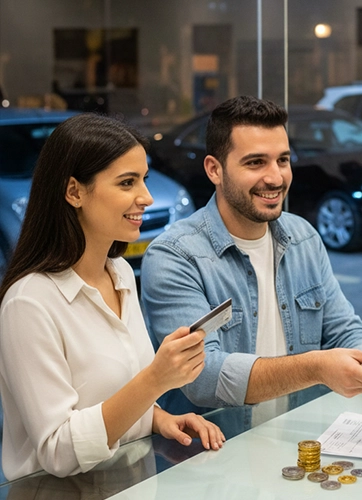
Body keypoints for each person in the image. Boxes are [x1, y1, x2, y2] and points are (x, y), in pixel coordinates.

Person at [140, 95, 362, 437]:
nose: (275, 178)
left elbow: (344, 330)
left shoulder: (302, 237)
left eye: (283, 160)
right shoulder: (174, 256)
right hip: (214, 459)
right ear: (214, 170)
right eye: (256, 163)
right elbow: (203, 377)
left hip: (297, 442)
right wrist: (317, 367)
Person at [0, 114, 225, 481]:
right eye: (127, 182)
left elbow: (112, 393)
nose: (147, 198)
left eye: (144, 179)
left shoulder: (118, 272)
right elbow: (58, 451)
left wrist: (157, 418)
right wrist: (156, 380)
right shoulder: (29, 303)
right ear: (74, 192)